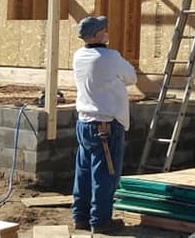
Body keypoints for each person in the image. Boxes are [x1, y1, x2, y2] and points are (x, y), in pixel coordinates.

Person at [71, 15, 137, 233]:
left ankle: (80, 218)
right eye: (104, 29)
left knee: (83, 173)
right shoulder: (110, 57)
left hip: (85, 123)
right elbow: (131, 77)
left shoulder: (79, 55)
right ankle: (100, 222)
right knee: (104, 176)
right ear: (98, 34)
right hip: (106, 126)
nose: (107, 31)